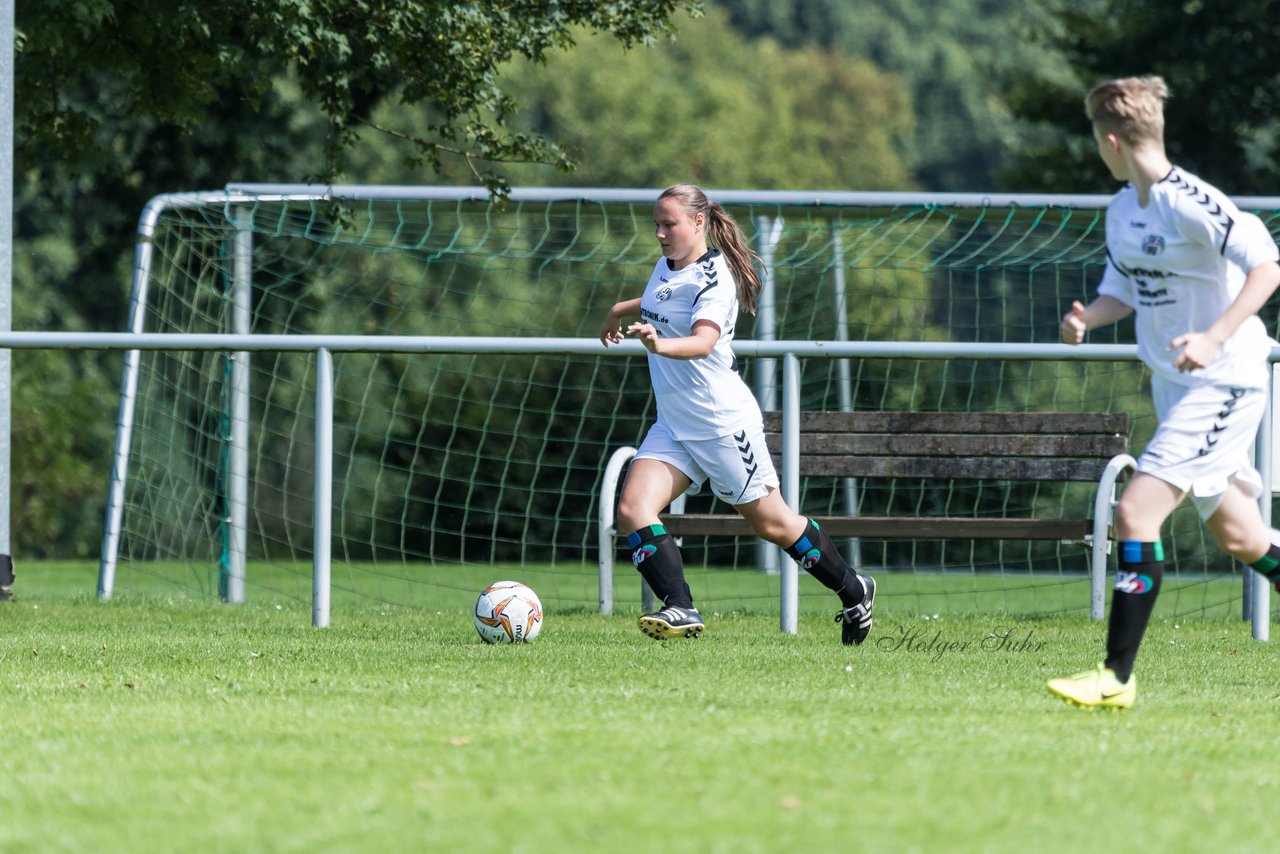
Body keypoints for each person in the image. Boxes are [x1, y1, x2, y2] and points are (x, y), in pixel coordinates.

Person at [1048, 76, 1280, 709]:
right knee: (1241, 536)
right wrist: (1086, 321)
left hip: (1224, 381)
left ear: (1112, 140)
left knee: (1136, 512)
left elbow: (1267, 268)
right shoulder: (1122, 210)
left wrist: (1213, 335)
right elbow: (1122, 291)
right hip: (1176, 389)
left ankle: (1115, 678)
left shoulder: (1194, 203)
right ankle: (1116, 678)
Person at [598, 183, 876, 643]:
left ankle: (854, 589)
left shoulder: (716, 278)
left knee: (774, 524)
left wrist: (658, 344)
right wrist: (617, 310)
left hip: (721, 423)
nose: (660, 234)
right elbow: (659, 300)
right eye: (656, 225)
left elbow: (704, 340)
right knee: (632, 508)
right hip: (675, 424)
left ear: (698, 223)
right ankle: (680, 607)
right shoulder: (666, 265)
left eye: (669, 224)